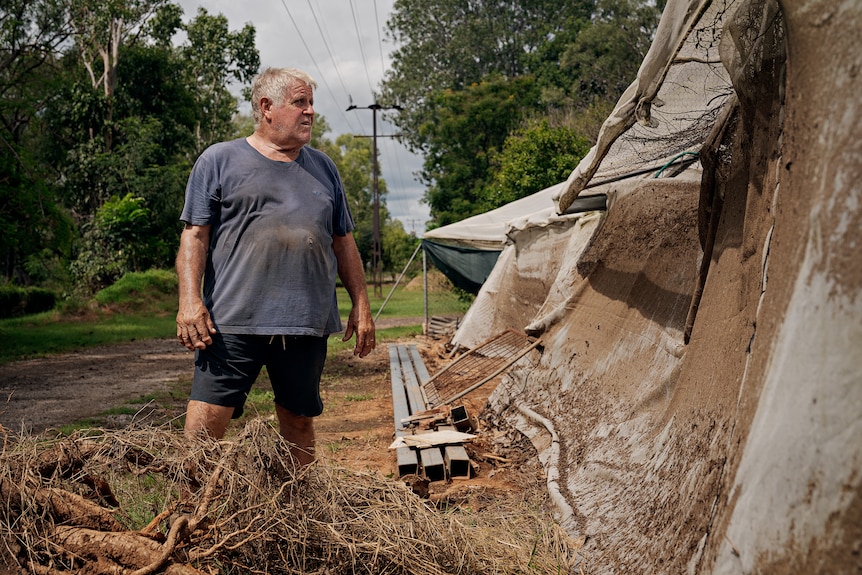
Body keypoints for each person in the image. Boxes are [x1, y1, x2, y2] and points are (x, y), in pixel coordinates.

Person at [175, 67, 376, 465]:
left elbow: (343, 240)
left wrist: (362, 304)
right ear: (267, 107)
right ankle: (191, 514)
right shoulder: (219, 160)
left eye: (311, 103)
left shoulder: (324, 168)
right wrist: (189, 301)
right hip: (231, 322)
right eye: (300, 103)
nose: (311, 112)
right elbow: (194, 237)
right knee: (205, 425)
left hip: (304, 322)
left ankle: (299, 515)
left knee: (299, 423)